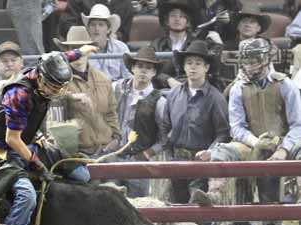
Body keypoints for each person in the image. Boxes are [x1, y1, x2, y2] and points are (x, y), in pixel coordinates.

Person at [0, 45, 97, 225]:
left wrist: (81, 51)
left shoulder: (45, 73)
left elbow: (61, 58)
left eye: (60, 86)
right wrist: (36, 163)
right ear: (42, 78)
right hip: (5, 151)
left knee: (81, 174)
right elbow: (11, 139)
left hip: (29, 142)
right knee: (26, 196)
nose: (57, 90)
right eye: (54, 85)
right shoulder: (19, 94)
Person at [195, 38, 301, 207]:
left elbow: (298, 125)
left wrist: (283, 149)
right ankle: (214, 193)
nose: (251, 65)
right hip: (251, 142)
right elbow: (236, 127)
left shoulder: (285, 85)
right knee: (221, 152)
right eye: (247, 61)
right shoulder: (238, 88)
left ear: (266, 59)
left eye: (255, 60)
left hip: (282, 141)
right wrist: (255, 142)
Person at [161, 40, 229, 204]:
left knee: (198, 209)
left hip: (201, 162)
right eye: (189, 63)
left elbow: (223, 134)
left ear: (206, 67)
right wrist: (168, 152)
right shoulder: (174, 94)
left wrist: (210, 153)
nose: (193, 67)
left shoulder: (215, 98)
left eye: (198, 63)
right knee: (177, 209)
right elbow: (164, 126)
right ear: (183, 67)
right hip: (175, 161)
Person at [53, 26, 121, 157]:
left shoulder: (104, 80)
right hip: (76, 154)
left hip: (106, 151)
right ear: (68, 52)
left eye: (82, 48)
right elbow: (54, 120)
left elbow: (111, 113)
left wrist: (116, 138)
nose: (79, 54)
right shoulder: (57, 82)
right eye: (73, 49)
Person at [113, 47, 166, 197]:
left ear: (154, 72)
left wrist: (147, 153)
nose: (143, 71)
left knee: (139, 207)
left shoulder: (159, 101)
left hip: (138, 160)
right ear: (132, 68)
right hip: (113, 156)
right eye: (140, 66)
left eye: (148, 68)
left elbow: (165, 137)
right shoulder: (116, 88)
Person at [151, 0, 198, 89]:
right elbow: (150, 69)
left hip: (190, 89)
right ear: (167, 21)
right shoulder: (156, 44)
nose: (177, 19)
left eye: (182, 16)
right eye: (173, 16)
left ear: (187, 22)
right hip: (162, 89)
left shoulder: (195, 44)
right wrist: (168, 80)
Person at [80, 4, 130, 81]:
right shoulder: (81, 50)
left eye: (101, 25)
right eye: (93, 24)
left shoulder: (121, 48)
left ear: (108, 29)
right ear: (88, 28)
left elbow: (128, 77)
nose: (96, 28)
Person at [58, 0, 134, 42]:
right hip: (80, 48)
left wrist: (115, 37)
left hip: (113, 50)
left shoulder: (126, 4)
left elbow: (124, 35)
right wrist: (85, 35)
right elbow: (65, 26)